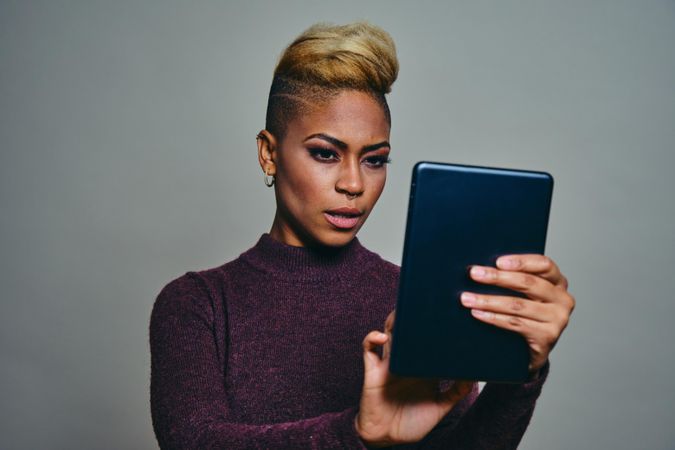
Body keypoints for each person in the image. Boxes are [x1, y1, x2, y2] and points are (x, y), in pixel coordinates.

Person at [149, 21, 575, 449]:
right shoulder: (197, 304)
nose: (353, 184)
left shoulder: (415, 298)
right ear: (269, 153)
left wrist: (523, 372)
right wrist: (355, 434)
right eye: (325, 154)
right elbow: (194, 441)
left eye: (374, 160)